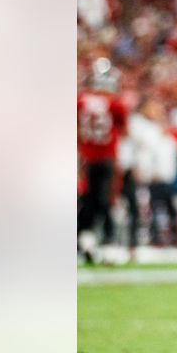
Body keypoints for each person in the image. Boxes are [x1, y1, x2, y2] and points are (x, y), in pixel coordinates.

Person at [77, 58, 128, 264]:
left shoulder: (80, 102)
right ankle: (109, 245)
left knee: (88, 201)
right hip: (106, 159)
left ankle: (86, 240)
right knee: (105, 202)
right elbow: (124, 131)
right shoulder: (115, 105)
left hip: (85, 160)